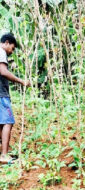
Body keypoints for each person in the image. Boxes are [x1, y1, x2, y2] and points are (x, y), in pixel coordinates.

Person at [0, 33, 30, 164]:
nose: (11, 52)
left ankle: (3, 153)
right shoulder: (1, 52)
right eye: (12, 48)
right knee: (8, 122)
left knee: (1, 123)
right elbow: (3, 72)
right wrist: (22, 81)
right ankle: (4, 155)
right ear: (6, 42)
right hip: (1, 94)